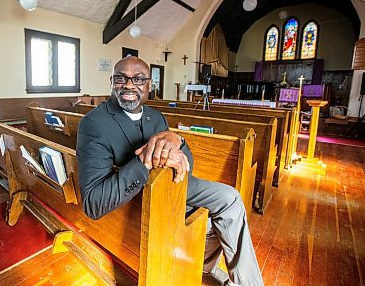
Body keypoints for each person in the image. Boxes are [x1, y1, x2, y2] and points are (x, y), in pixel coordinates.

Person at [76, 56, 263, 286]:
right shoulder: (94, 123)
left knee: (227, 202)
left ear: (149, 86)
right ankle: (206, 268)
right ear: (111, 81)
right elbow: (93, 204)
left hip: (170, 187)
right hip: (135, 199)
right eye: (121, 78)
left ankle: (217, 273)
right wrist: (144, 162)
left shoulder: (155, 117)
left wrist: (179, 140)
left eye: (138, 79)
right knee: (226, 204)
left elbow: (185, 168)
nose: (129, 85)